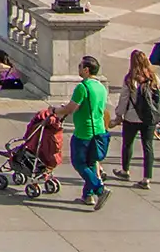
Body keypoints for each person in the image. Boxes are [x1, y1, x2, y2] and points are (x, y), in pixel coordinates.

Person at [55, 54, 110, 210]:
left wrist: (55, 110)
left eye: (80, 66)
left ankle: (100, 189)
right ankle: (88, 195)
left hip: (84, 131)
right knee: (91, 163)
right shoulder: (101, 87)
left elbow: (71, 108)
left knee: (79, 163)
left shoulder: (82, 87)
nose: (78, 69)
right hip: (99, 130)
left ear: (86, 70)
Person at [112, 48, 160, 189]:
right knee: (148, 146)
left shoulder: (130, 79)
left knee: (128, 144)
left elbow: (124, 99)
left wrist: (119, 114)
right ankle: (147, 178)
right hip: (149, 118)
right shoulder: (154, 78)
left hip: (132, 117)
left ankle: (125, 171)